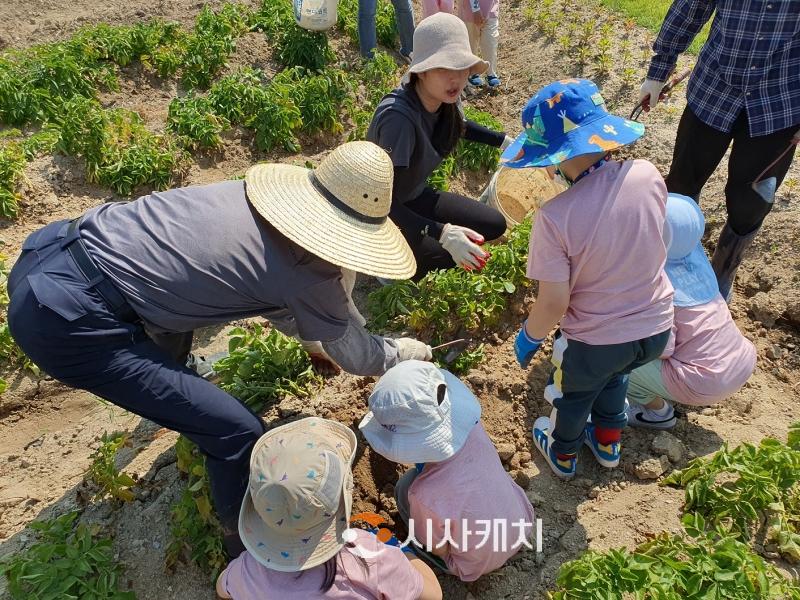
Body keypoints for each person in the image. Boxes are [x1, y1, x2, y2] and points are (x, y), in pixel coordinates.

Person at [6, 141, 432, 556]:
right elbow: (359, 356)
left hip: (53, 250)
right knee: (236, 431)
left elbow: (271, 297)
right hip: (67, 321)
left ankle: (183, 397)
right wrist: (411, 352)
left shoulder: (252, 199)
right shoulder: (312, 273)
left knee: (177, 326)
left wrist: (313, 339)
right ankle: (245, 550)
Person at [505, 79, 674, 479]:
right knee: (617, 378)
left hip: (595, 340)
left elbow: (554, 304)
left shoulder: (554, 218)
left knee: (573, 394)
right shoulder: (647, 174)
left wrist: (530, 335)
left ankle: (562, 453)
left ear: (552, 158)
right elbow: (656, 239)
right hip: (655, 330)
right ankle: (608, 443)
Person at [639, 0, 800, 302]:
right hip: (713, 91)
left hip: (779, 104)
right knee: (682, 185)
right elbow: (691, 7)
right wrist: (659, 70)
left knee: (749, 203)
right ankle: (675, 260)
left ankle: (722, 273)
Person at [215, 416, 443, 600]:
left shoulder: (248, 571)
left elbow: (222, 588)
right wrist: (404, 553)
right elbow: (433, 595)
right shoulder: (367, 557)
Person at [359, 361, 535, 581]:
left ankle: (433, 554)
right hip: (521, 523)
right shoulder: (473, 427)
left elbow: (439, 548)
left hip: (473, 566)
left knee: (403, 489)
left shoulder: (423, 495)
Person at [367, 12, 510, 280]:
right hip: (379, 214)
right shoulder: (398, 119)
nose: (455, 78)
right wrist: (442, 233)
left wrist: (503, 141)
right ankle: (384, 263)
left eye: (461, 68)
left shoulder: (444, 101)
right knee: (446, 256)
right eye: (444, 68)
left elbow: (460, 126)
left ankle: (420, 246)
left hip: (413, 195)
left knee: (493, 225)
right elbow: (383, 201)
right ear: (420, 72)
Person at [627, 193, 757, 429]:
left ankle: (658, 413)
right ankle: (674, 385)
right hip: (741, 362)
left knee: (618, 361)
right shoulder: (697, 266)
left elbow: (660, 348)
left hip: (706, 381)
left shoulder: (661, 288)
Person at [461, 0, 501, 88]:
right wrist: (475, 10)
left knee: (490, 42)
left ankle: (491, 74)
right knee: (471, 42)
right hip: (469, 11)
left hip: (491, 8)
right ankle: (472, 73)